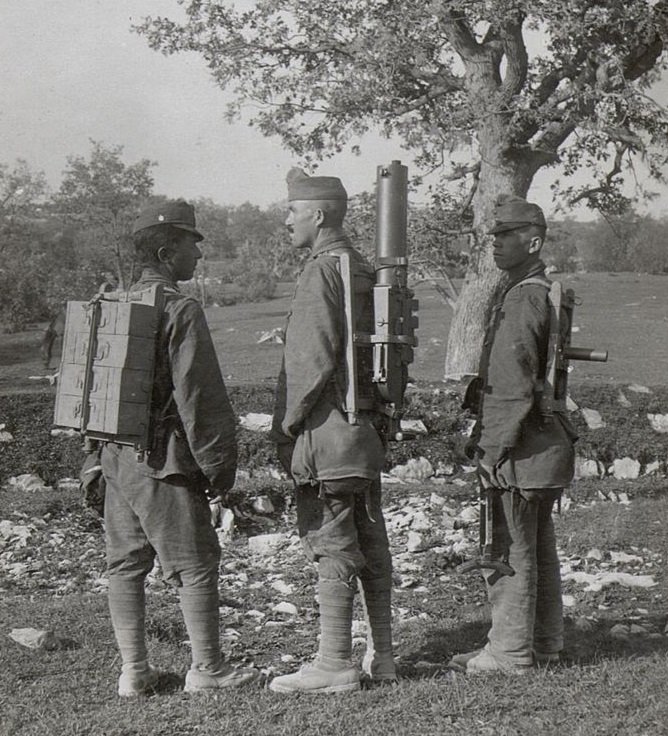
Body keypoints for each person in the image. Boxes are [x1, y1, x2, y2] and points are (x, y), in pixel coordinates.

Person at [100, 199, 257, 696]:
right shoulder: (179, 308)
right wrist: (218, 469)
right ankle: (208, 669)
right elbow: (200, 399)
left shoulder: (113, 304)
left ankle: (134, 671)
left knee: (126, 563)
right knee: (195, 562)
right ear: (167, 253)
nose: (199, 255)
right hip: (161, 460)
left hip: (114, 455)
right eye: (192, 244)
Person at [269, 169, 396, 693]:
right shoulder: (361, 267)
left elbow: (310, 361)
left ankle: (334, 663)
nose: (286, 220)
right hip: (364, 431)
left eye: (292, 211)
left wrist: (286, 428)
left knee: (332, 542)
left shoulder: (321, 270)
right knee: (370, 538)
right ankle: (383, 657)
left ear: (318, 215)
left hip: (328, 434)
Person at [450, 196, 577, 675]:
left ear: (534, 242)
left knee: (507, 549)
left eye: (506, 235)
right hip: (544, 445)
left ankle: (508, 652)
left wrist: (491, 449)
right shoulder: (538, 290)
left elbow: (511, 383)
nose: (496, 243)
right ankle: (544, 643)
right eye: (496, 236)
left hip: (521, 451)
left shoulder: (523, 297)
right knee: (538, 545)